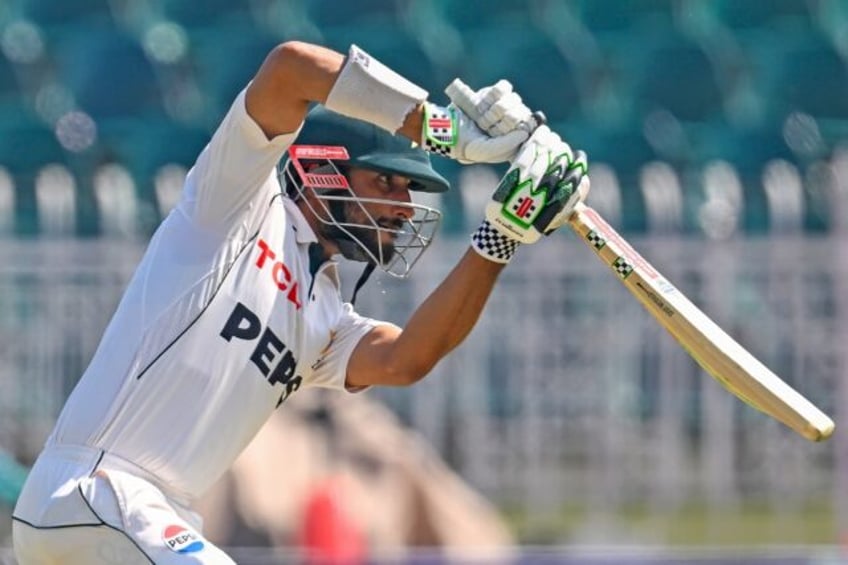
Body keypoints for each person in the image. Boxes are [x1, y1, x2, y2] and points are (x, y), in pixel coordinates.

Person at [11, 41, 590, 563]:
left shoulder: (324, 316)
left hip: (154, 520)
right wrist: (439, 130)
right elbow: (291, 68)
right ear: (319, 171)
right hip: (94, 489)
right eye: (386, 183)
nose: (405, 208)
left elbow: (408, 358)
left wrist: (500, 237)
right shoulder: (236, 204)